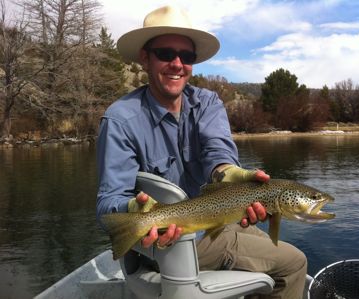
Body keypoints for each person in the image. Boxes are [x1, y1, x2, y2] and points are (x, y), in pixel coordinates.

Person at [96, 5, 307, 298]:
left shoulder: (207, 102)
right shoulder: (119, 120)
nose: (177, 64)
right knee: (295, 263)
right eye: (166, 53)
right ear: (145, 58)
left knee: (266, 241)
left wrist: (228, 172)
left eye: (187, 56)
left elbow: (217, 150)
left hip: (217, 217)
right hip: (169, 241)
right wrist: (134, 210)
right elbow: (109, 201)